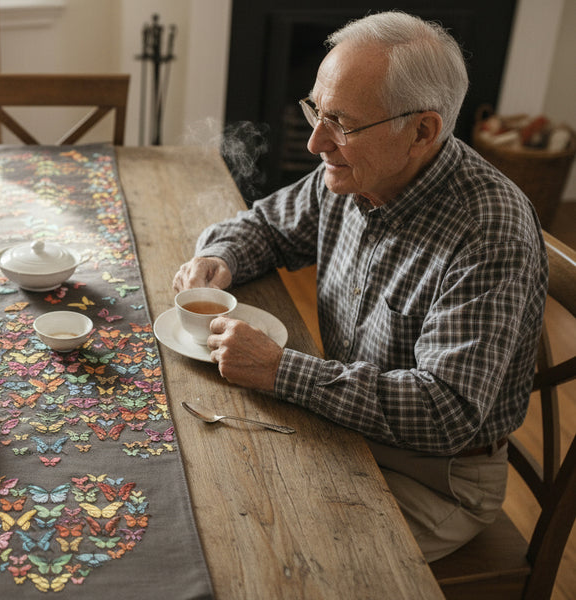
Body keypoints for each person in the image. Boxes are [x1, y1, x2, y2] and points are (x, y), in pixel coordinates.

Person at [173, 11, 547, 562]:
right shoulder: (358, 171)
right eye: (315, 112)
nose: (315, 142)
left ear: (421, 131)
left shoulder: (488, 232)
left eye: (340, 123)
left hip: (435, 477)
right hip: (346, 423)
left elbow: (446, 411)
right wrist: (218, 256)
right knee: (207, 488)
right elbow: (267, 227)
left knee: (266, 554)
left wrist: (281, 370)